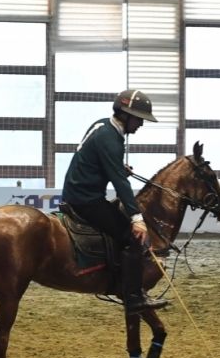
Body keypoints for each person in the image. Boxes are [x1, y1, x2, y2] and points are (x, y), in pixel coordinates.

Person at [62, 89, 170, 314]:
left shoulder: (102, 125)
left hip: (77, 192)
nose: (141, 124)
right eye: (139, 119)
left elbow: (96, 159)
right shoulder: (111, 140)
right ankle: (134, 296)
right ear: (126, 114)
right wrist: (136, 218)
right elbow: (121, 184)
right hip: (86, 199)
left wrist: (116, 166)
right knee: (131, 237)